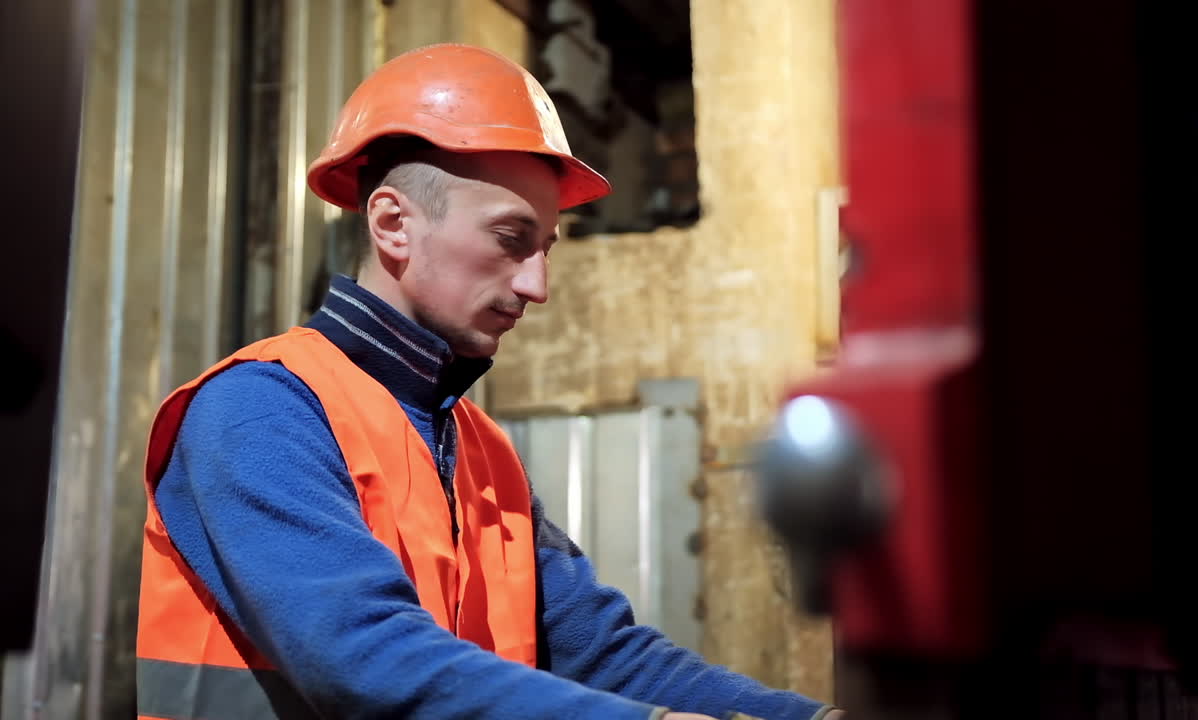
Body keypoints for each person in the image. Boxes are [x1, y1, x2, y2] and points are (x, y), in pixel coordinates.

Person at [136, 43, 845, 720]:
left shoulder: (482, 451)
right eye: (511, 240)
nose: (536, 286)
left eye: (544, 250)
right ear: (392, 225)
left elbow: (603, 655)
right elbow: (368, 662)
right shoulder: (258, 411)